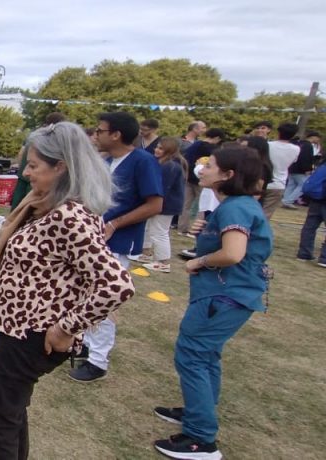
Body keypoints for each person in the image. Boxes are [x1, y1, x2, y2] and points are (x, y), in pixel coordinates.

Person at [0, 122, 134, 459]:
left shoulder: (69, 215)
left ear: (60, 166)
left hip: (32, 335)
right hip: (18, 329)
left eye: (34, 165)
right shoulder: (44, 205)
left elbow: (116, 284)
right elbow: (32, 260)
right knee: (10, 411)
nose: (25, 173)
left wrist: (67, 327)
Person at [152, 146, 273, 460]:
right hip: (228, 294)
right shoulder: (235, 206)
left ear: (228, 175)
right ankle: (198, 410)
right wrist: (205, 232)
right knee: (206, 355)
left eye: (210, 165)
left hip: (223, 296)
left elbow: (233, 253)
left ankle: (200, 439)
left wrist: (199, 261)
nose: (202, 169)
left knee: (192, 355)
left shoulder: (236, 208)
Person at [72, 112, 163, 383]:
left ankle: (98, 360)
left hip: (117, 243)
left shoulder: (143, 161)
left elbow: (154, 204)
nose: (96, 135)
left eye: (100, 130)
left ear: (116, 135)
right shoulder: (107, 161)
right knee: (84, 294)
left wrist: (115, 224)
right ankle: (85, 343)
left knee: (103, 297)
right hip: (94, 239)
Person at [137, 137, 186, 273]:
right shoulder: (164, 164)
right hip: (162, 203)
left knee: (159, 232)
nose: (156, 150)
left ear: (169, 151)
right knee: (149, 228)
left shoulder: (170, 166)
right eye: (157, 147)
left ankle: (163, 262)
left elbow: (163, 187)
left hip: (166, 205)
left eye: (161, 148)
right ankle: (146, 253)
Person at [11, 112, 65, 209]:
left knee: (20, 204)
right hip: (34, 180)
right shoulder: (50, 140)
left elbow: (21, 153)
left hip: (25, 179)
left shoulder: (35, 135)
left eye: (32, 165)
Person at [180, 129, 226, 236]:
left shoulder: (195, 144)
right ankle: (196, 230)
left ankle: (182, 227)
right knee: (203, 206)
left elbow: (185, 157)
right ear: (217, 138)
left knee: (185, 205)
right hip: (203, 179)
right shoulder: (214, 150)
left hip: (189, 177)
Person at [263, 122, 300, 219]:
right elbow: (293, 161)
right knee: (266, 214)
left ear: (278, 132)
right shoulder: (296, 149)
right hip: (279, 184)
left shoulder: (268, 145)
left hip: (262, 181)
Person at [283, 130, 319, 208]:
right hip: (301, 169)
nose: (318, 140)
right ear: (313, 137)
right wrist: (307, 169)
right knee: (303, 185)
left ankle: (285, 200)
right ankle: (289, 200)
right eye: (317, 138)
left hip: (292, 167)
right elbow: (305, 158)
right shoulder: (308, 145)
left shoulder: (299, 143)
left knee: (291, 185)